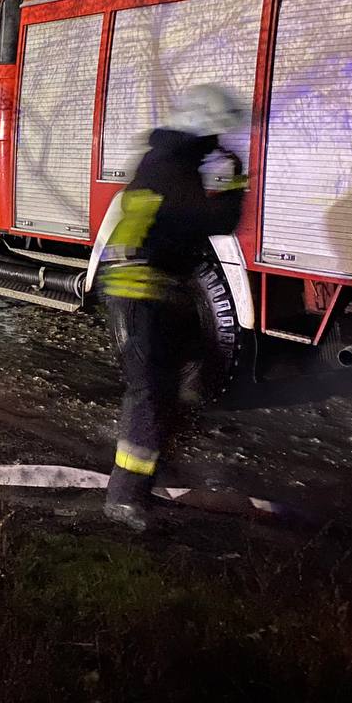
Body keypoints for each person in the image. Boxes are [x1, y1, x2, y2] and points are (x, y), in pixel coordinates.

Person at [98, 84, 249, 532]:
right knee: (149, 394)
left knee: (180, 382)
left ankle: (150, 473)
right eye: (215, 136)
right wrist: (236, 179)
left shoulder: (170, 159)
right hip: (141, 294)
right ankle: (124, 498)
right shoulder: (170, 169)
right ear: (201, 131)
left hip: (159, 292)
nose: (218, 144)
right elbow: (215, 221)